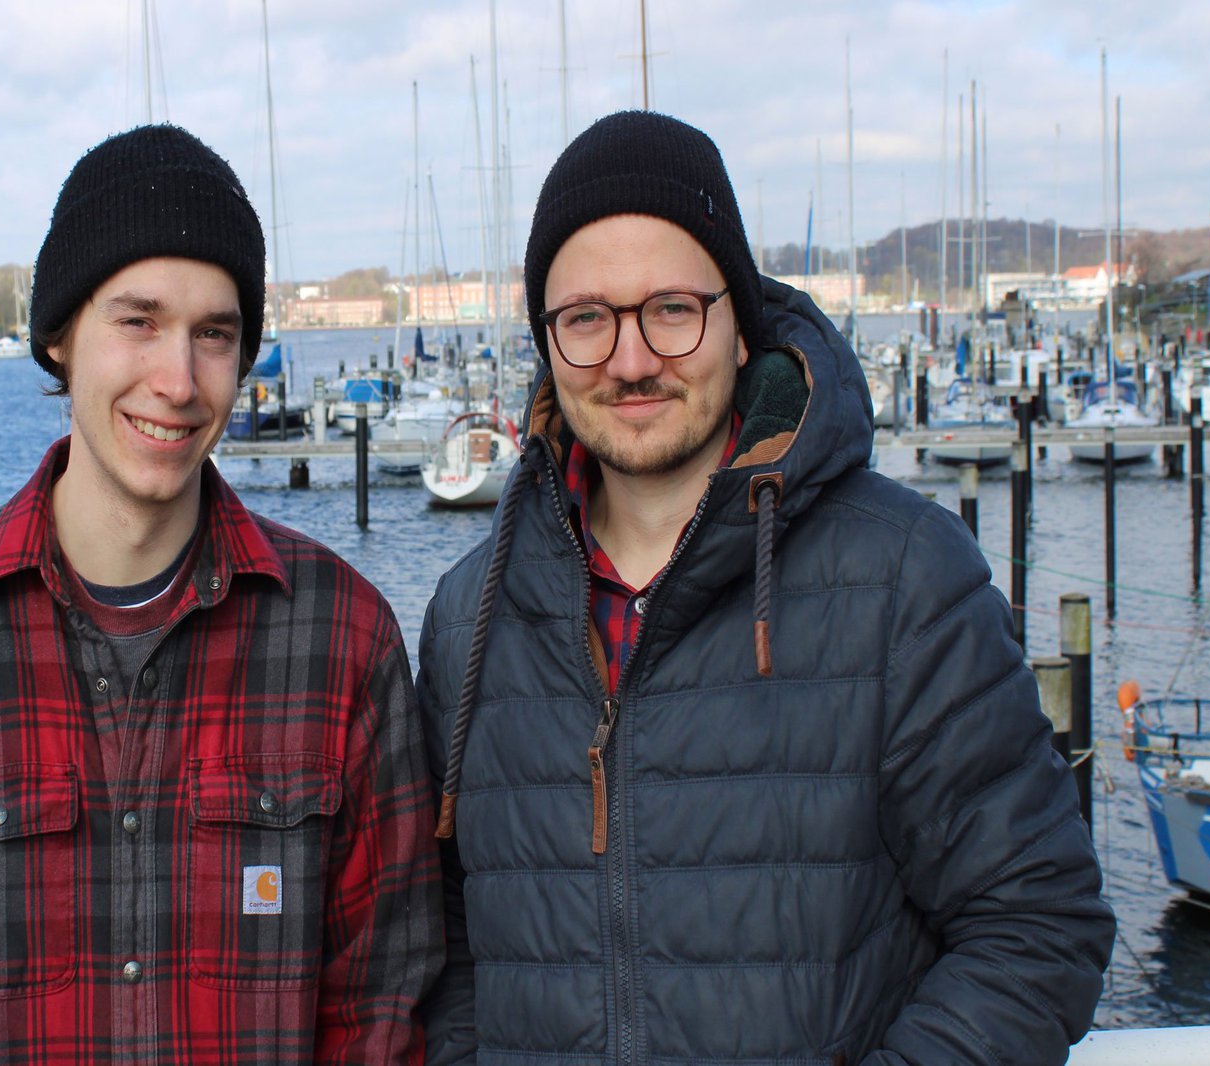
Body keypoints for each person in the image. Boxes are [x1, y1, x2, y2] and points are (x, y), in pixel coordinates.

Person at [418, 110, 1114, 1065]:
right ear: (548, 342)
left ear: (740, 325)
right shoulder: (471, 617)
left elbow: (1037, 923)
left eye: (672, 308)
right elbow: (451, 944)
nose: (629, 360)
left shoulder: (902, 577)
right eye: (586, 318)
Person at [0, 124, 442, 1063]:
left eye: (214, 335)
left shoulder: (343, 639)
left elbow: (383, 1007)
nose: (176, 381)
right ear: (60, 337)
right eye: (138, 322)